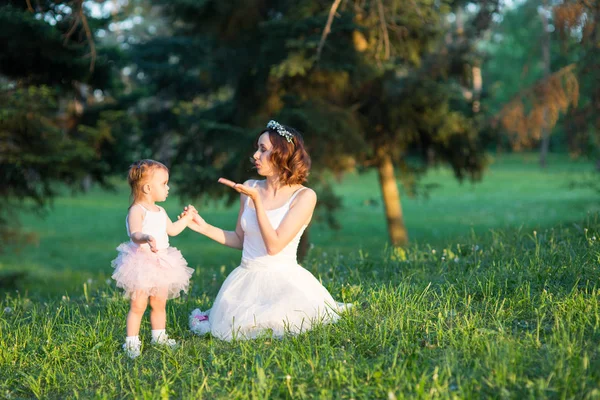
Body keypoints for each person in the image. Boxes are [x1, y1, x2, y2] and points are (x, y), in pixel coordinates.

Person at [185, 120, 351, 341]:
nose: (255, 155)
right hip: (244, 281)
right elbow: (240, 240)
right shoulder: (250, 187)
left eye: (263, 150)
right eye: (257, 148)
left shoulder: (304, 196)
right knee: (235, 325)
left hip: (284, 283)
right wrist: (203, 227)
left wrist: (258, 203)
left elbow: (274, 246)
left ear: (282, 154)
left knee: (275, 323)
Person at [111, 159, 196, 358]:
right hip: (141, 263)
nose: (168, 187)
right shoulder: (137, 210)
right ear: (148, 188)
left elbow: (173, 230)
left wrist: (187, 218)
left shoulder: (161, 211)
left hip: (162, 262)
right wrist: (146, 238)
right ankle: (131, 342)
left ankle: (159, 336)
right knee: (138, 304)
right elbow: (134, 233)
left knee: (159, 303)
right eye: (164, 183)